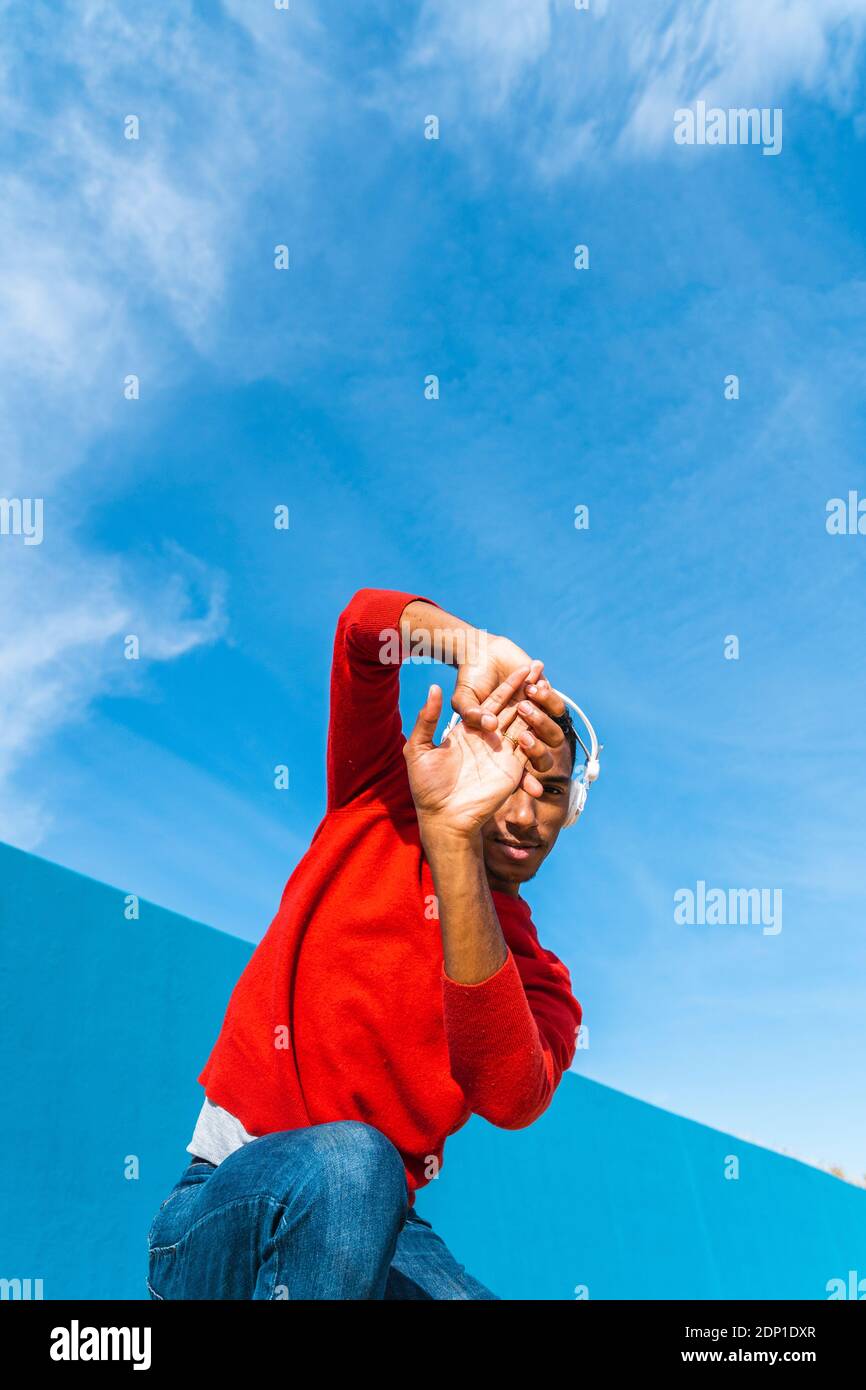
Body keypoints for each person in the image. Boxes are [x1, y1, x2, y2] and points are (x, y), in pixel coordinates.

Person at [146, 588, 584, 1300]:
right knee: (353, 1163)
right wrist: (470, 646)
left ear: (572, 810)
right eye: (511, 771)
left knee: (367, 1179)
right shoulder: (378, 797)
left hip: (385, 1227)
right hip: (224, 1197)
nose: (525, 812)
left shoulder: (542, 978)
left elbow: (508, 1092)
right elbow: (361, 633)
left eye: (551, 790)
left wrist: (453, 844)